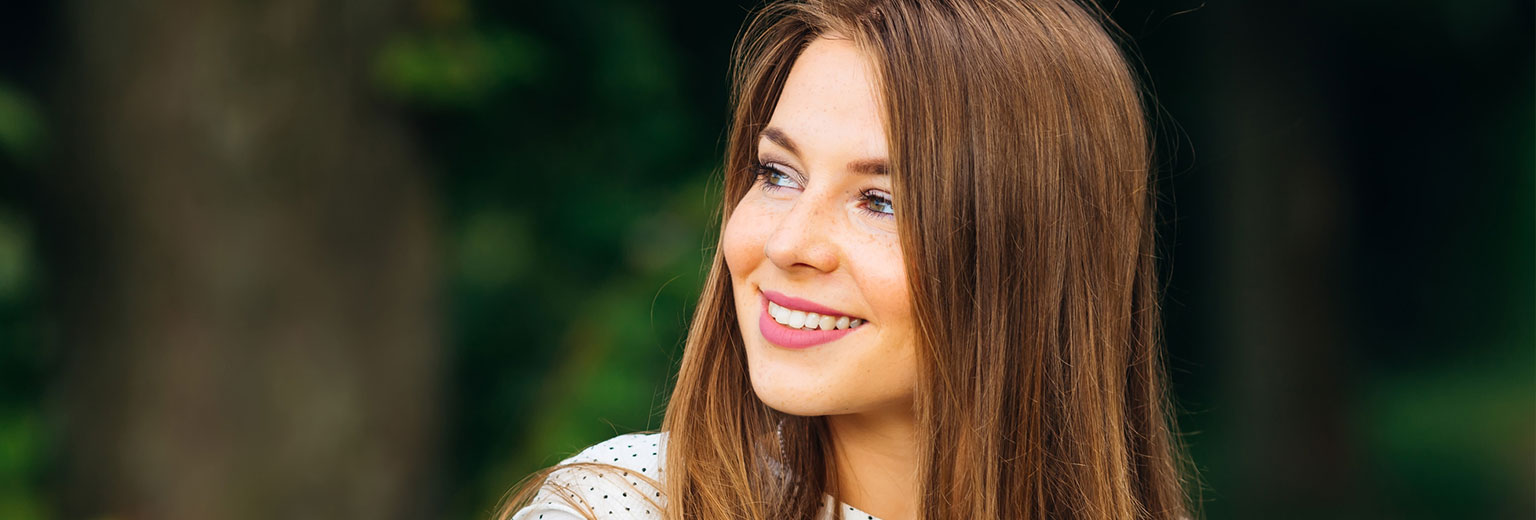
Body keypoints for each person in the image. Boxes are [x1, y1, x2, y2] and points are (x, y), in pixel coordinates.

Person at [501, 0, 1192, 518]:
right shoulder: (619, 508)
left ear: (1033, 258)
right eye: (778, 174)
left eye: (880, 202)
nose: (788, 244)